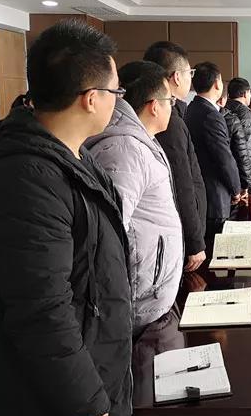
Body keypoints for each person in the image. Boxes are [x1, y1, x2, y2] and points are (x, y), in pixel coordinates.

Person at [0, 20, 132, 416]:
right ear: (91, 98)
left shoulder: (73, 157)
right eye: (116, 92)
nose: (118, 102)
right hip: (53, 411)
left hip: (93, 371)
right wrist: (82, 401)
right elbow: (40, 306)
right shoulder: (27, 176)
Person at [85, 61, 183, 335]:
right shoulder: (125, 150)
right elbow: (108, 236)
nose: (173, 108)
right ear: (154, 106)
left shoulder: (137, 141)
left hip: (149, 294)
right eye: (170, 101)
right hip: (138, 302)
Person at [143, 41, 207, 272]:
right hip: (177, 236)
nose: (191, 79)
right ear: (177, 77)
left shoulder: (173, 113)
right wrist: (195, 242)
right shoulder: (168, 122)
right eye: (190, 73)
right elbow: (181, 183)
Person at [184, 62, 241, 251]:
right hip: (215, 197)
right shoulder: (211, 115)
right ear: (217, 83)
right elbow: (224, 158)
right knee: (217, 253)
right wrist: (236, 189)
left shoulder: (191, 109)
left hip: (201, 194)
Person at [226, 77, 251, 186]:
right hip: (243, 170)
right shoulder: (245, 113)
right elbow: (248, 144)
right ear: (245, 94)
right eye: (249, 93)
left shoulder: (223, 109)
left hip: (228, 167)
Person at [217, 92, 251, 193]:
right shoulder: (235, 118)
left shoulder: (191, 111)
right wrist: (247, 183)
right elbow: (243, 151)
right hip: (231, 179)